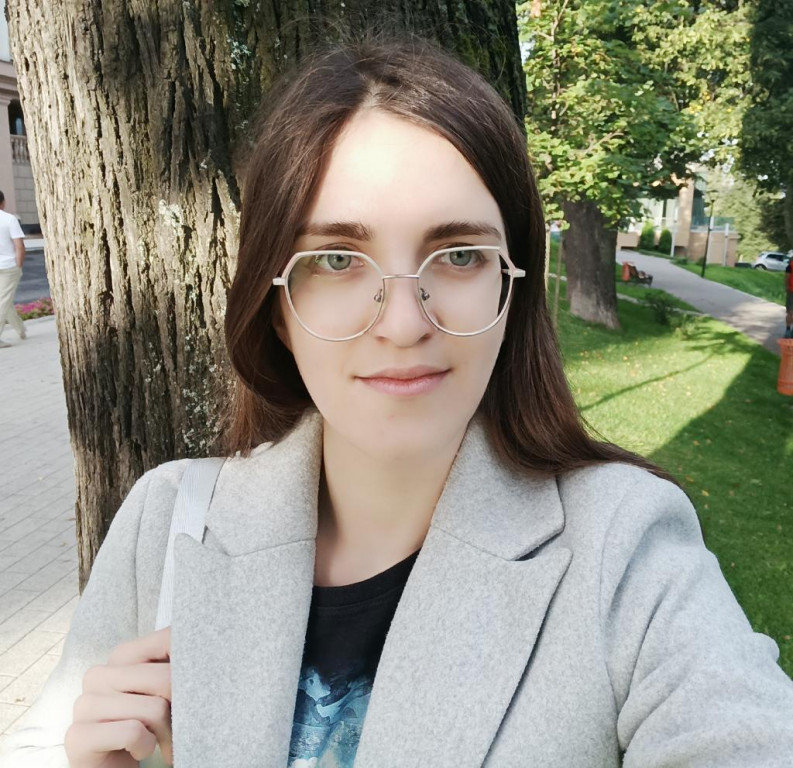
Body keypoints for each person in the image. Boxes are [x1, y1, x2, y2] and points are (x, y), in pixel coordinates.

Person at [3, 34, 793, 768]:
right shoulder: (168, 523)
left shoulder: (621, 549)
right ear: (275, 307)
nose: (405, 323)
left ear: (511, 290)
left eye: (458, 255)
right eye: (337, 260)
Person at [0, 190, 27, 348]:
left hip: (6, 266)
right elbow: (19, 246)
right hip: (9, 266)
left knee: (5, 299)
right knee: (3, 300)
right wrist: (19, 265)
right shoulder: (9, 219)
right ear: (3, 202)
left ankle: (20, 329)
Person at [785, 258, 793, 338]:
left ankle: (788, 330)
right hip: (791, 291)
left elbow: (786, 278)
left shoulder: (790, 266)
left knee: (790, 312)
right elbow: (787, 277)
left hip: (790, 291)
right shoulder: (790, 266)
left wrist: (786, 287)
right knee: (790, 312)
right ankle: (789, 330)